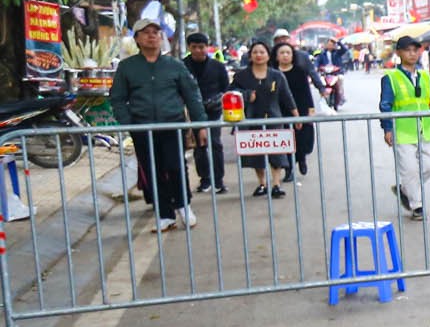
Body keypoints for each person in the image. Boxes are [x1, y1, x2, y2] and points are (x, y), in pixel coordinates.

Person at [108, 15, 207, 232]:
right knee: (152, 171)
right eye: (146, 32)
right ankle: (164, 215)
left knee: (175, 166)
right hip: (142, 128)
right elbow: (117, 98)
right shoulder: (127, 67)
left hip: (172, 125)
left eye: (156, 32)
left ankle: (183, 205)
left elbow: (192, 95)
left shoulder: (174, 65)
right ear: (137, 39)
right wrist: (128, 122)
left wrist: (201, 125)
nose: (152, 36)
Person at [379, 36, 430, 220]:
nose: (412, 54)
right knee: (409, 170)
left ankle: (405, 190)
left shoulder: (425, 76)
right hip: (402, 131)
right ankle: (416, 206)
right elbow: (385, 105)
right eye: (408, 50)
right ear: (399, 53)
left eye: (415, 50)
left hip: (424, 129)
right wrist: (387, 129)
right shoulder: (391, 78)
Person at [231, 39, 297, 198]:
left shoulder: (277, 75)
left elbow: (287, 97)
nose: (258, 55)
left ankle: (276, 184)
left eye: (262, 52)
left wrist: (296, 116)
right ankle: (262, 183)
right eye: (255, 52)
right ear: (250, 56)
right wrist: (246, 96)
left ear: (268, 56)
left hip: (274, 119)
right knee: (256, 155)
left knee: (276, 153)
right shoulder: (241, 76)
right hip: (251, 119)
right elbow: (231, 93)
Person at [183, 31, 229, 195]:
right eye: (194, 47)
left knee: (215, 144)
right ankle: (205, 179)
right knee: (199, 146)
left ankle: (219, 180)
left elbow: (226, 89)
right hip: (193, 112)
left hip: (214, 112)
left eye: (201, 47)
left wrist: (217, 100)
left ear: (207, 48)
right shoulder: (182, 66)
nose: (198, 51)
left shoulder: (217, 66)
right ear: (189, 47)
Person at [274, 42, 317, 184]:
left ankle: (302, 158)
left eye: (288, 53)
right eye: (282, 53)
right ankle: (289, 169)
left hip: (300, 108)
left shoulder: (299, 71)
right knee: (285, 141)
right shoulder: (273, 72)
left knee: (300, 139)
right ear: (276, 56)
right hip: (281, 110)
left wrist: (310, 109)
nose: (285, 55)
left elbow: (306, 92)